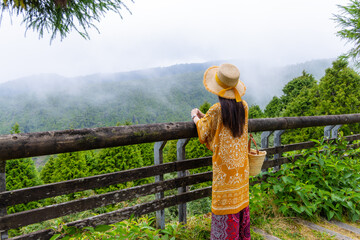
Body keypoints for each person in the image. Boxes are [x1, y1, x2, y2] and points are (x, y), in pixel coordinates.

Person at [191, 63, 250, 240]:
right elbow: (225, 124)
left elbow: (204, 131)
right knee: (239, 203)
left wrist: (195, 116)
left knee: (224, 205)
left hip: (225, 172)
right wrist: (206, 116)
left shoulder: (217, 109)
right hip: (241, 169)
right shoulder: (244, 106)